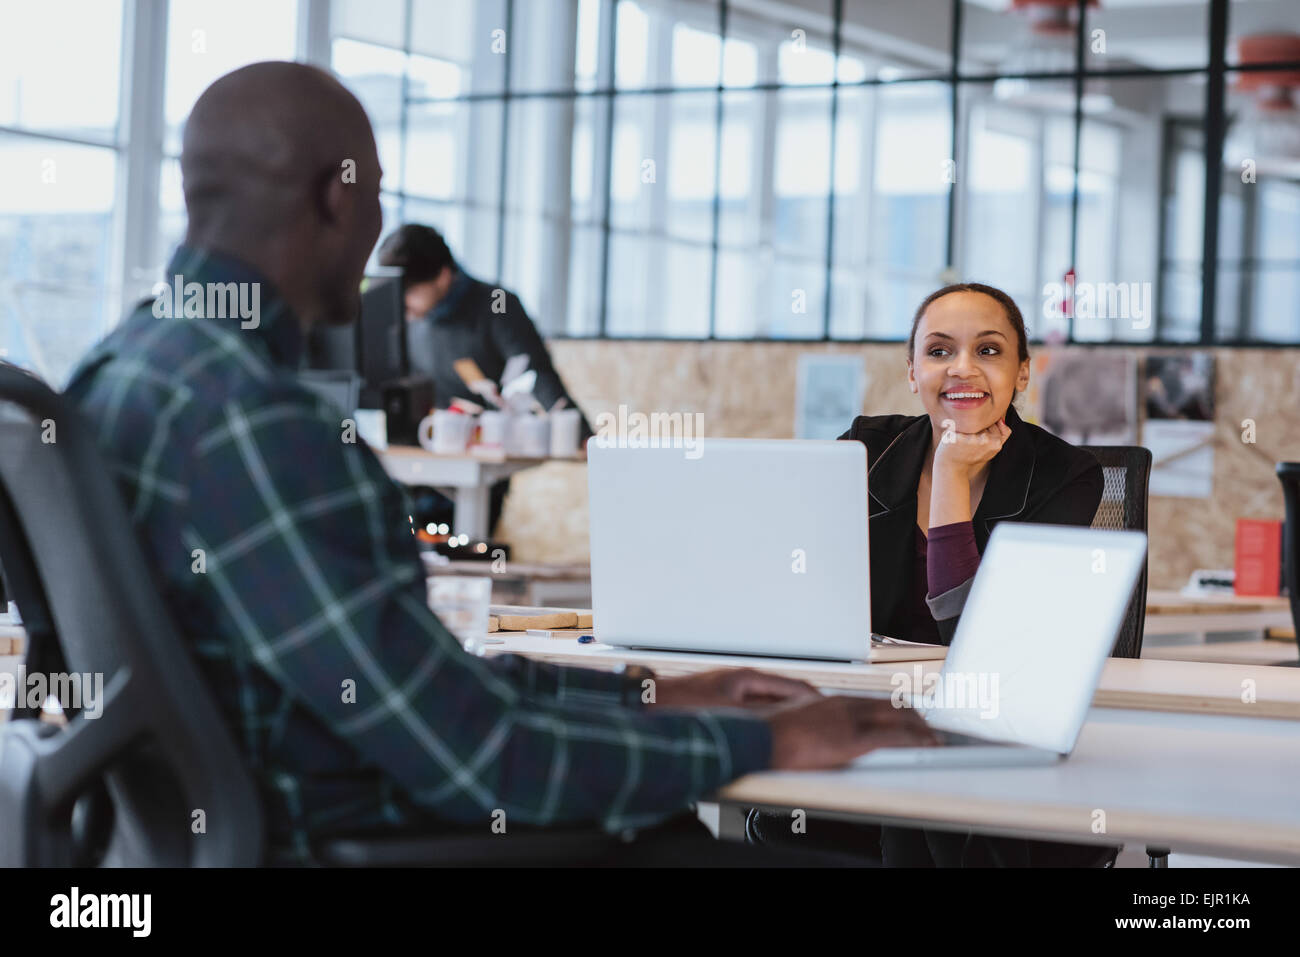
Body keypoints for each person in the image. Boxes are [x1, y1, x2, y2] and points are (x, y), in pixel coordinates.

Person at [63, 61, 934, 865]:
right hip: (369, 834)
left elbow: (414, 682)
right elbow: (483, 758)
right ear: (338, 196)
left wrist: (653, 694)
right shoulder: (253, 419)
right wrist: (773, 741)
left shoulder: (123, 373)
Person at [751, 282, 1114, 867]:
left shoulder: (1065, 474)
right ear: (913, 372)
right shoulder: (866, 450)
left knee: (934, 805)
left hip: (999, 737)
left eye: (990, 351)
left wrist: (948, 477)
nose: (962, 368)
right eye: (939, 351)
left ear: (1023, 372)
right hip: (873, 719)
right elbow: (799, 588)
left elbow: (981, 643)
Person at [377, 222, 590, 536]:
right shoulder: (406, 317)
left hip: (481, 463)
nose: (403, 306)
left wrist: (581, 433)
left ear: (443, 277)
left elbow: (537, 375)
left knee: (462, 552)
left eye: (409, 294)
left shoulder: (496, 305)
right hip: (415, 461)